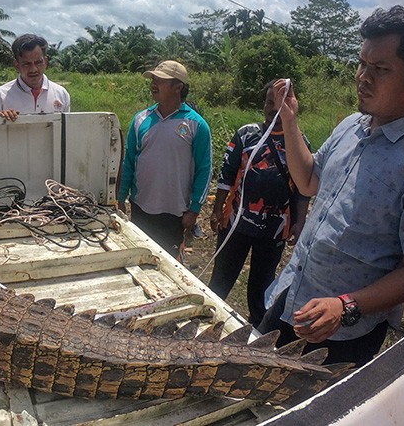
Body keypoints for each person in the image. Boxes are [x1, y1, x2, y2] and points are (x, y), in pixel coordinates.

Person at [259, 6, 404, 367]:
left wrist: (346, 305)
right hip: (292, 295)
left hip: (342, 333)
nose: (363, 78)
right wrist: (290, 120)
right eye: (362, 64)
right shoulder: (351, 125)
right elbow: (309, 180)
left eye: (380, 69)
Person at [207, 80, 311, 328]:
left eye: (280, 104)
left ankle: (256, 331)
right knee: (221, 278)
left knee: (261, 286)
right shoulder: (246, 134)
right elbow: (227, 175)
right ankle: (206, 319)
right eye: (269, 102)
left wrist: (299, 221)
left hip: (275, 229)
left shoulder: (299, 142)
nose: (273, 109)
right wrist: (217, 209)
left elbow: (303, 188)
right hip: (236, 223)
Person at [117, 60, 212, 260]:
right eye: (153, 79)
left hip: (175, 212)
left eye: (161, 80)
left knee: (169, 263)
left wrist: (194, 209)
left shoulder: (196, 124)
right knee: (140, 258)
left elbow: (204, 169)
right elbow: (129, 163)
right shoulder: (141, 119)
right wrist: (120, 197)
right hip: (141, 206)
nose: (154, 84)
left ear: (178, 87)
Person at [0, 34, 70, 121]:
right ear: (17, 65)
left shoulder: (61, 94)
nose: (33, 69)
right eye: (27, 64)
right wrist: (0, 120)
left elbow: (66, 128)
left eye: (38, 62)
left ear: (46, 61)